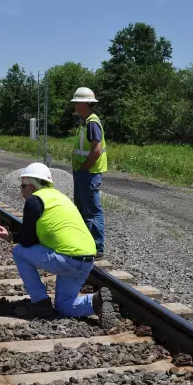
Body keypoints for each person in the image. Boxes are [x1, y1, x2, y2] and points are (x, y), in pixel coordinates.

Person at [0, 163, 114, 327]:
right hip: (86, 260)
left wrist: (12, 238)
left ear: (32, 186)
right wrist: (11, 235)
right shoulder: (60, 198)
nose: (21, 189)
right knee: (64, 307)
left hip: (66, 258)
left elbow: (28, 241)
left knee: (19, 252)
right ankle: (95, 301)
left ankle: (40, 302)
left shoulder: (34, 201)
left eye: (23, 185)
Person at [70, 87, 108, 258]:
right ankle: (86, 242)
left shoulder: (92, 123)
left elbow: (97, 150)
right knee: (82, 208)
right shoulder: (86, 122)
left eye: (77, 102)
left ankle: (97, 247)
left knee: (92, 210)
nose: (75, 106)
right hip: (82, 172)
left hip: (89, 173)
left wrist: (84, 167)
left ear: (84, 103)